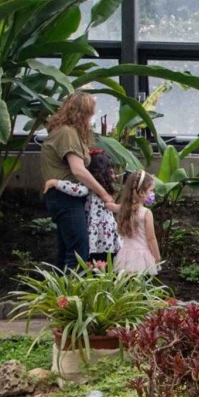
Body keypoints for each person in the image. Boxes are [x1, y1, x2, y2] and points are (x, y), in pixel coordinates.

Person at [41, 93, 119, 270]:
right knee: (78, 254)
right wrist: (105, 194)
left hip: (64, 196)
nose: (91, 118)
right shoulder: (68, 133)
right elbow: (78, 170)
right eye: (90, 113)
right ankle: (72, 295)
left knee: (66, 251)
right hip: (65, 197)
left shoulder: (65, 131)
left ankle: (60, 294)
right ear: (81, 113)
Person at [114, 171, 161, 274]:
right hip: (142, 258)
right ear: (141, 192)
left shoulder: (123, 210)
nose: (152, 193)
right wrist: (157, 257)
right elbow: (151, 238)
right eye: (151, 190)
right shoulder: (146, 213)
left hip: (125, 256)